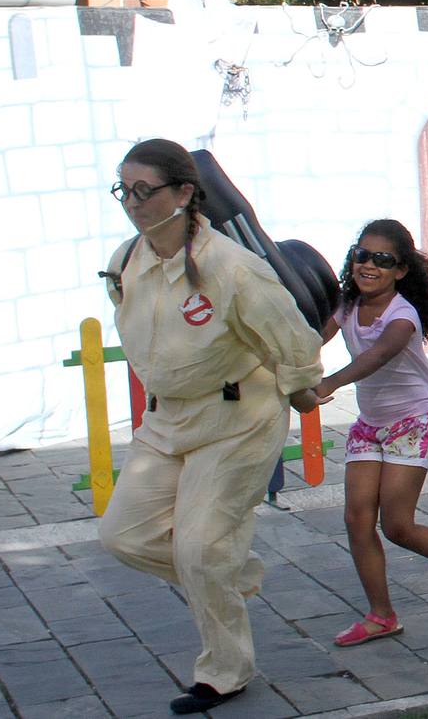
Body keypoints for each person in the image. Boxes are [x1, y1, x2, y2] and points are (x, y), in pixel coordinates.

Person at [97, 139, 326, 714]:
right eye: (124, 190)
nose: (132, 202)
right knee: (123, 535)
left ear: (184, 193)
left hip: (237, 419)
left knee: (200, 549)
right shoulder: (127, 260)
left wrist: (300, 389)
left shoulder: (231, 267)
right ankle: (230, 571)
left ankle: (224, 673)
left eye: (145, 191)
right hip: (168, 420)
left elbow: (295, 338)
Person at [318, 221, 428, 647]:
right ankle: (381, 616)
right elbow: (309, 339)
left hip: (411, 423)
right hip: (369, 425)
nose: (368, 265)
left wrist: (330, 384)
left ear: (400, 270)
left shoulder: (403, 316)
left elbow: (378, 356)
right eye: (362, 255)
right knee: (356, 520)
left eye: (382, 260)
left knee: (397, 525)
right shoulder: (346, 305)